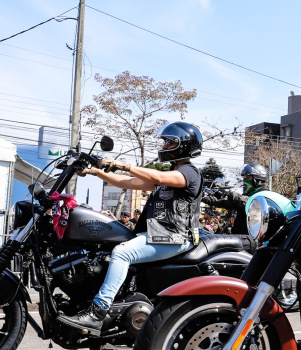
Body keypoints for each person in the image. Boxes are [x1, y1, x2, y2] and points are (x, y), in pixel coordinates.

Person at [58, 122, 204, 335]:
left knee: (122, 253)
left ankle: (98, 313)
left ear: (184, 145)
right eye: (164, 141)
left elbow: (157, 177)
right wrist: (94, 171)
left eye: (169, 142)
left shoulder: (189, 173)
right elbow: (127, 182)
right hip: (159, 234)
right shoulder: (169, 174)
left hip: (176, 236)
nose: (164, 145)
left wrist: (124, 164)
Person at [202, 163, 266, 236]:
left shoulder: (263, 195)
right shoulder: (246, 195)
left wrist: (229, 193)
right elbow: (224, 203)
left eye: (247, 177)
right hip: (238, 237)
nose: (244, 180)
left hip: (252, 239)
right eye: (244, 177)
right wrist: (204, 198)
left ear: (258, 179)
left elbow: (249, 201)